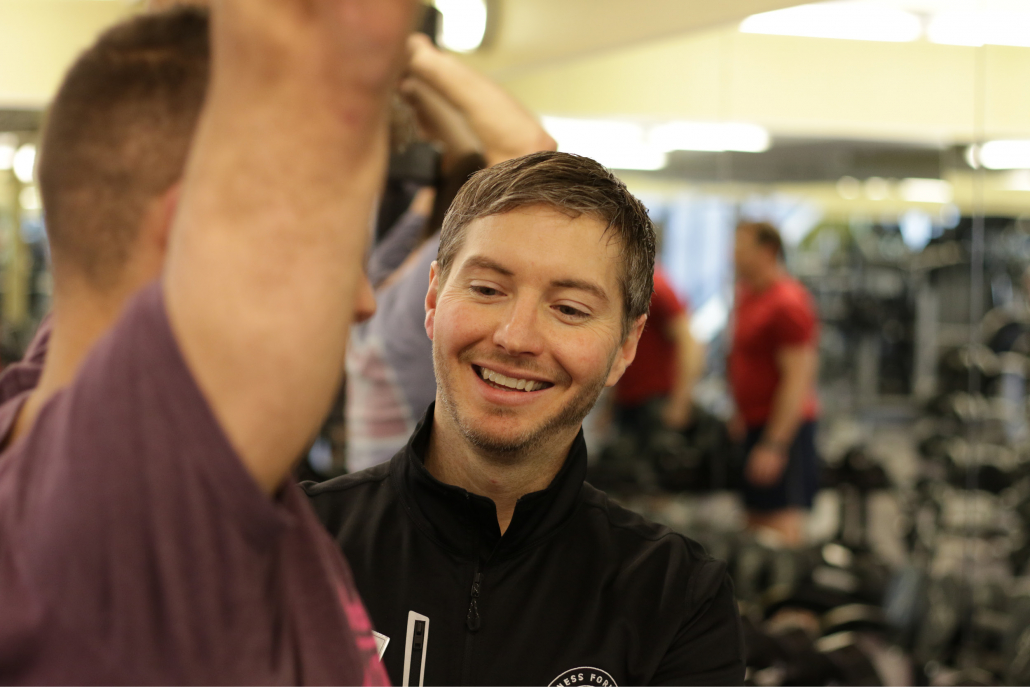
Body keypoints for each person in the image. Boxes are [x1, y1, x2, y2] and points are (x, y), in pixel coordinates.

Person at [0, 1, 415, 682]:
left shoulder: (43, 423)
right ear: (190, 237)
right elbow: (341, 33)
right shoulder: (124, 492)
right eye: (329, 249)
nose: (364, 300)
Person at [307, 151, 746, 686]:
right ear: (432, 297)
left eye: (569, 309)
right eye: (487, 289)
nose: (515, 337)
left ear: (627, 344)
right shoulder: (299, 549)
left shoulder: (675, 598)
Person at [345, 34, 556, 472]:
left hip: (410, 509)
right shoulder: (397, 266)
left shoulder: (430, 290)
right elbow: (459, 153)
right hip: (370, 499)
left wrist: (420, 56)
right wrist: (407, 83)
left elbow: (527, 153)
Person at [728, 221, 820, 548]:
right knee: (754, 522)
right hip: (754, 425)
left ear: (767, 251)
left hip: (782, 431)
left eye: (741, 247)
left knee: (780, 530)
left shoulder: (789, 302)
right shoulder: (747, 294)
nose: (733, 254)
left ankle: (789, 599)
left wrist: (775, 444)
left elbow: (798, 378)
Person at [612, 265, 704, 445]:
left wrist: (680, 403)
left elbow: (690, 345)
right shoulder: (623, 286)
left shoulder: (656, 287)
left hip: (655, 403)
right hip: (627, 402)